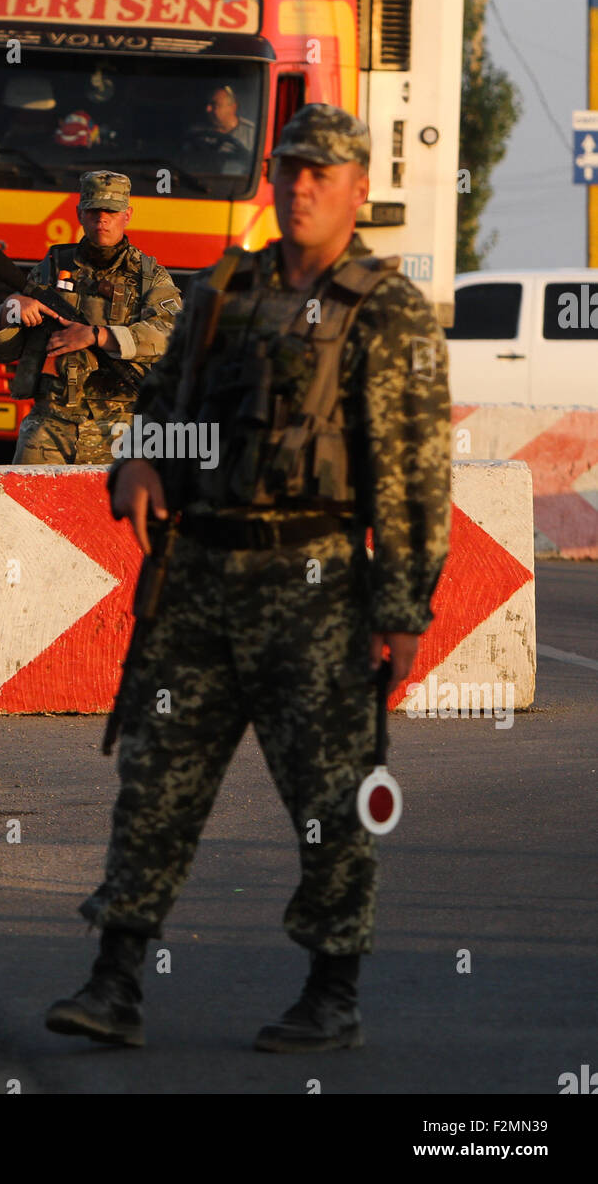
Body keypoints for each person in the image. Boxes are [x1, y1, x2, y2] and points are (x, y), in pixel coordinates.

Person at [44, 104, 451, 1051]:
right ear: (274, 179)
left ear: (357, 192)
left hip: (315, 588)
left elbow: (414, 475)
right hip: (199, 577)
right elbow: (162, 406)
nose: (303, 184)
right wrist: (140, 462)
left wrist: (402, 612)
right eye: (291, 168)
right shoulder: (224, 288)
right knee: (156, 780)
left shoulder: (386, 311)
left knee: (331, 795)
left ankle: (331, 989)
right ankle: (114, 981)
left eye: (323, 172)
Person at [0, 171, 181, 464]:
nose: (102, 219)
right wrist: (12, 308)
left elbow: (170, 334)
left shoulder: (149, 276)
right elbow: (5, 352)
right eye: (93, 211)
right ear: (79, 214)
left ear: (127, 215)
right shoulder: (51, 268)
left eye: (111, 212)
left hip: (122, 430)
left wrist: (96, 335)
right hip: (50, 425)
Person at [184, 84, 255, 164]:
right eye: (207, 104)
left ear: (233, 108)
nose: (207, 109)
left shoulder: (252, 134)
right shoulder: (196, 133)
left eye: (214, 105)